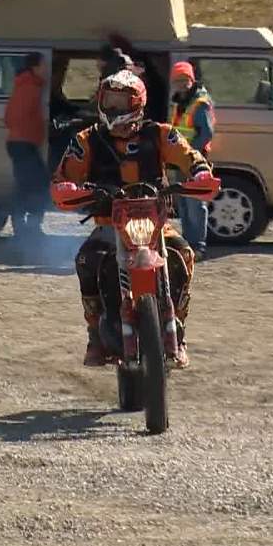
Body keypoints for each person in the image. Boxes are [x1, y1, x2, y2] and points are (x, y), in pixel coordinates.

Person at [51, 69, 217, 369]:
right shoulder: (86, 140)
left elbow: (189, 156)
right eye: (109, 100)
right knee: (86, 261)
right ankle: (95, 335)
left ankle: (178, 331)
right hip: (107, 223)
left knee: (183, 253)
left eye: (120, 102)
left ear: (137, 104)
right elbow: (64, 176)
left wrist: (201, 173)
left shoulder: (161, 133)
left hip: (155, 223)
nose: (113, 108)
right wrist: (68, 189)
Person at [168, 61, 216, 260]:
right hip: (182, 162)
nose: (180, 84)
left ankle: (198, 247)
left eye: (184, 80)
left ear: (191, 80)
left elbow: (206, 134)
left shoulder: (199, 103)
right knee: (186, 206)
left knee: (196, 206)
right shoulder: (181, 102)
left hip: (195, 163)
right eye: (177, 80)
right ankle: (188, 246)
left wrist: (188, 154)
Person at [4, 52, 50, 239]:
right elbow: (13, 117)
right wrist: (29, 130)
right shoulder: (29, 86)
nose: (46, 69)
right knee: (35, 186)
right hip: (23, 143)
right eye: (43, 65)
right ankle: (26, 228)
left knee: (27, 186)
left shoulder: (26, 84)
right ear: (35, 67)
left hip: (21, 143)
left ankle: (26, 227)